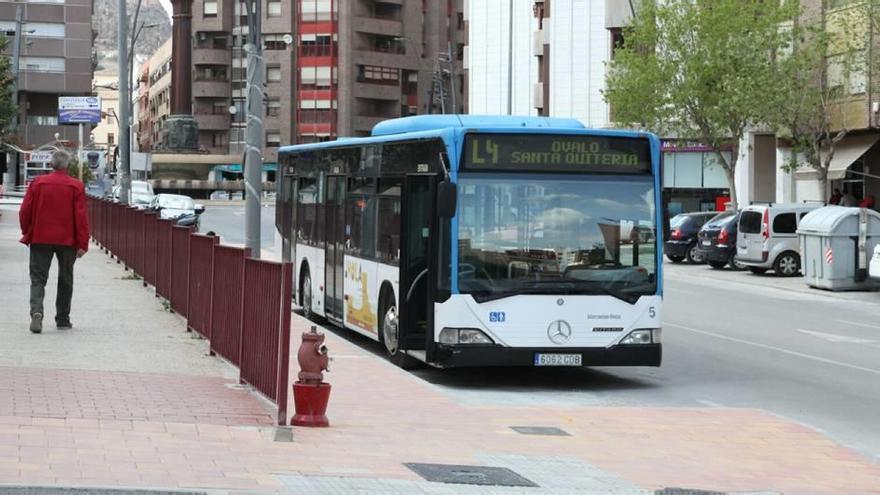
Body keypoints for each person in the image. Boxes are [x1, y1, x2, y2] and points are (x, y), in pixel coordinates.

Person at [19, 150, 89, 333]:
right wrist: (82, 244)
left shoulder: (38, 183)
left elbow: (25, 210)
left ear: (51, 165)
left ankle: (37, 312)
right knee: (66, 278)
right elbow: (81, 218)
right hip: (67, 240)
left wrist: (28, 231)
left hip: (40, 237)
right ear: (67, 166)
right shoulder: (76, 186)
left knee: (38, 278)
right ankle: (63, 319)